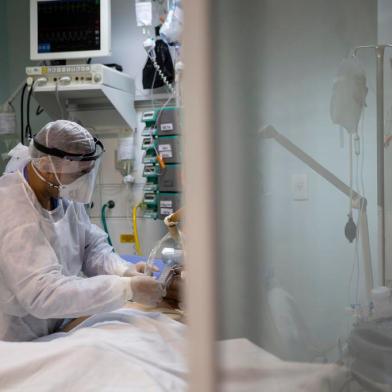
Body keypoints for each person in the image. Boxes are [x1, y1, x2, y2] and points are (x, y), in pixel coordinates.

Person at [0, 120, 164, 341]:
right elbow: (43, 294)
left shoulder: (62, 192)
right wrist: (126, 289)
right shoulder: (11, 209)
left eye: (89, 172)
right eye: (80, 173)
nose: (84, 181)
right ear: (47, 168)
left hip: (57, 329)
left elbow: (91, 247)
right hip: (17, 340)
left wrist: (123, 271)